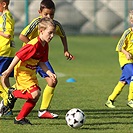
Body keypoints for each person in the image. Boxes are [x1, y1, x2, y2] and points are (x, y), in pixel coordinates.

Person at [19, 0, 73, 119]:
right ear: (40, 12)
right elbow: (22, 36)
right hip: (28, 59)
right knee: (23, 86)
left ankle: (43, 110)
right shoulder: (36, 23)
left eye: (51, 14)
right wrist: (33, 48)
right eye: (46, 14)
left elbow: (63, 35)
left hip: (41, 58)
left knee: (52, 81)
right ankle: (9, 100)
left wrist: (66, 50)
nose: (49, 17)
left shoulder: (55, 25)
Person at [1, 17, 57, 125]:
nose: (52, 36)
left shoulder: (45, 45)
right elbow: (18, 56)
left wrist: (50, 73)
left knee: (35, 96)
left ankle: (19, 118)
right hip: (22, 71)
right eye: (50, 33)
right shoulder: (33, 44)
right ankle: (13, 94)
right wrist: (8, 71)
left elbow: (41, 62)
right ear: (41, 31)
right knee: (35, 93)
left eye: (53, 33)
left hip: (31, 71)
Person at [105, 10, 133, 108]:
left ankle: (110, 100)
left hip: (132, 61)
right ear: (131, 21)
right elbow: (119, 47)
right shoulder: (128, 33)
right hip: (125, 60)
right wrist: (126, 53)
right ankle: (131, 100)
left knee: (123, 81)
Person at [0, 0, 15, 115]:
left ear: (4, 4)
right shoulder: (5, 16)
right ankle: (8, 108)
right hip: (6, 50)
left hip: (3, 51)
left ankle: (7, 97)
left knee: (1, 77)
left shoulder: (6, 16)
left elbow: (7, 34)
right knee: (4, 78)